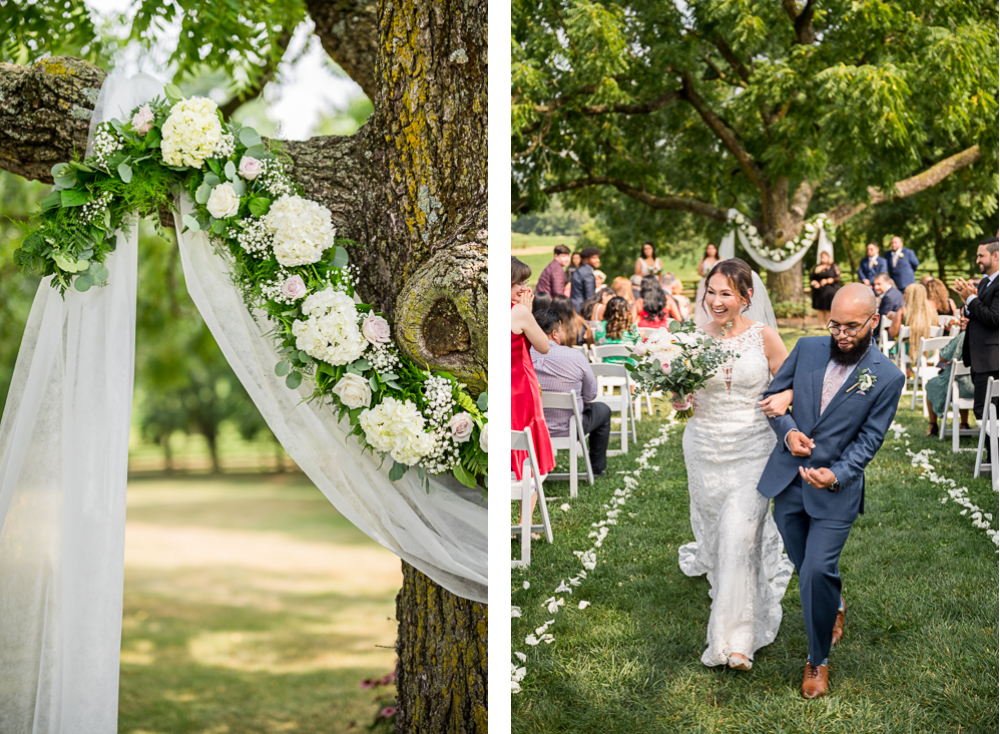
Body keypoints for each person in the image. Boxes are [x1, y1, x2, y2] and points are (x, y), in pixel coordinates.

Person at [757, 284, 905, 698]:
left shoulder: (888, 377)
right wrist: (788, 435)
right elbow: (773, 398)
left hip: (836, 491)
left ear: (873, 321)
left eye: (851, 327)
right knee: (806, 570)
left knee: (817, 571)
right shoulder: (805, 348)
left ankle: (817, 660)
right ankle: (834, 604)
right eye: (835, 325)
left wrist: (836, 474)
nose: (841, 334)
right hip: (788, 482)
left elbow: (869, 441)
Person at [676, 258, 794, 673]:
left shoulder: (765, 337)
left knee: (738, 537)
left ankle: (737, 641)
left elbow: (790, 382)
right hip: (705, 449)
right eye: (711, 292)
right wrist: (680, 399)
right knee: (716, 537)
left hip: (753, 449)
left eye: (726, 293)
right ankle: (733, 607)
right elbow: (685, 393)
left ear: (746, 297)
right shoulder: (690, 339)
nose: (716, 301)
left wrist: (785, 397)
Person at [530, 308, 612, 477]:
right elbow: (591, 395)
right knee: (603, 410)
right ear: (554, 333)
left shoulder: (522, 357)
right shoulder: (574, 356)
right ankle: (596, 468)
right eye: (560, 330)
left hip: (532, 429)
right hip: (570, 428)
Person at [953, 237, 999, 462]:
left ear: (996, 256)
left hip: (993, 359)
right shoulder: (985, 282)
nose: (977, 259)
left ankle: (994, 461)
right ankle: (992, 459)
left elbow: (994, 318)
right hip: (980, 357)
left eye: (981, 255)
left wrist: (971, 298)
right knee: (985, 412)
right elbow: (980, 313)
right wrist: (967, 303)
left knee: (987, 413)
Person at [511, 257, 555, 480]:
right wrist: (527, 313)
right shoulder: (518, 312)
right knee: (530, 455)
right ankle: (525, 516)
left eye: (526, 282)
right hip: (522, 388)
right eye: (519, 283)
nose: (524, 288)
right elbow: (544, 346)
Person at [924, 329, 973, 436]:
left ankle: (933, 425)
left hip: (962, 386)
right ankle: (964, 424)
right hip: (984, 387)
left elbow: (943, 357)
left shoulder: (964, 335)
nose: (962, 318)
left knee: (931, 385)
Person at [888, 283, 936, 372]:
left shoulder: (903, 311)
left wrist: (894, 319)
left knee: (890, 353)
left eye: (905, 293)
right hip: (928, 351)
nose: (903, 295)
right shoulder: (932, 311)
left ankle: (906, 373)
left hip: (907, 351)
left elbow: (893, 332)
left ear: (911, 296)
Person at [597, 296, 638, 363]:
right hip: (629, 370)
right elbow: (639, 348)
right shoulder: (632, 327)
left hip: (607, 370)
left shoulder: (600, 327)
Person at [810, 251, 841, 327]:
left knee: (828, 308)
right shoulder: (817, 267)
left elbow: (838, 277)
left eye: (824, 257)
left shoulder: (833, 266)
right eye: (821, 257)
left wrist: (828, 280)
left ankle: (829, 324)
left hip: (829, 290)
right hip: (819, 290)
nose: (822, 258)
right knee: (819, 308)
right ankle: (820, 325)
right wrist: (815, 283)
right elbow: (812, 278)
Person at [570, 247, 600, 312]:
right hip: (582, 308)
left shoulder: (579, 270)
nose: (598, 260)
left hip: (574, 306)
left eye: (597, 258)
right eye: (594, 258)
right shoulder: (587, 273)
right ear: (586, 260)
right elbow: (590, 296)